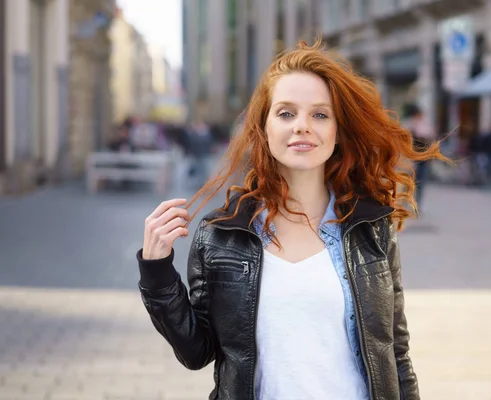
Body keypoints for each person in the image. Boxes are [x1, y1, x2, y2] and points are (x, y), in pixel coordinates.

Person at [136, 39, 447, 400]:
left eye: (319, 114)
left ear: (336, 131)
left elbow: (395, 354)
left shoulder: (370, 228)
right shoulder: (221, 234)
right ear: (263, 128)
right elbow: (197, 352)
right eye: (286, 113)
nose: (302, 126)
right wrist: (157, 274)